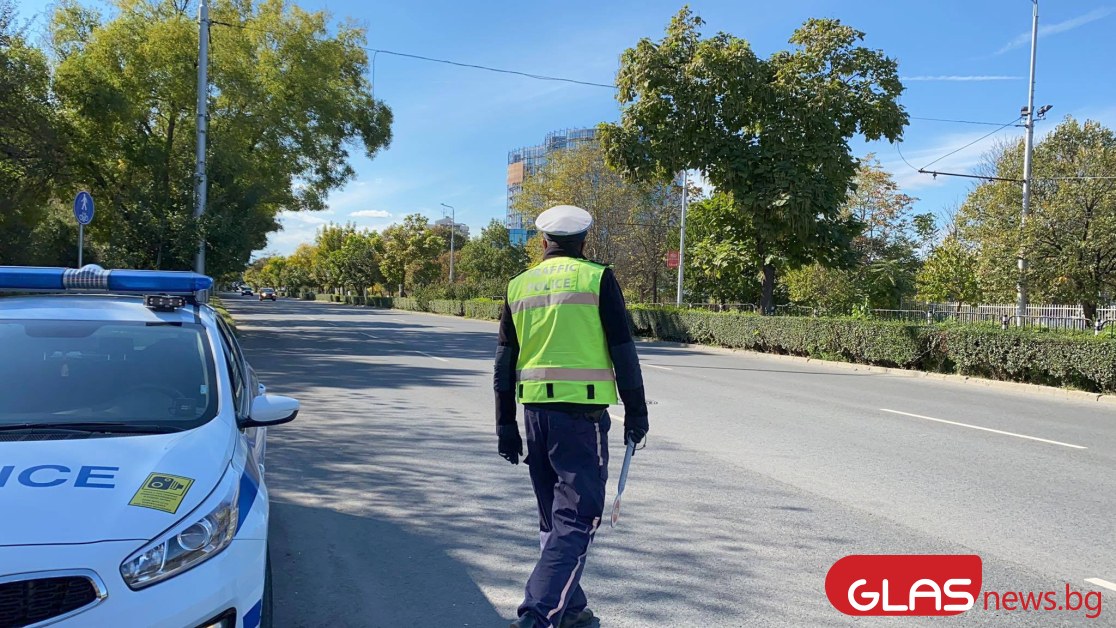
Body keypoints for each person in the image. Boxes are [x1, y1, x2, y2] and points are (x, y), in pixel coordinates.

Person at [494, 205, 650, 628]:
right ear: (585, 241)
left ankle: (572, 609)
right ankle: (538, 615)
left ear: (543, 241)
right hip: (580, 419)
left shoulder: (519, 284)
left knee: (553, 517)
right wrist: (637, 411)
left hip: (535, 417)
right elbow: (623, 350)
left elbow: (504, 362)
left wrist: (504, 424)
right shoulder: (597, 277)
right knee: (577, 520)